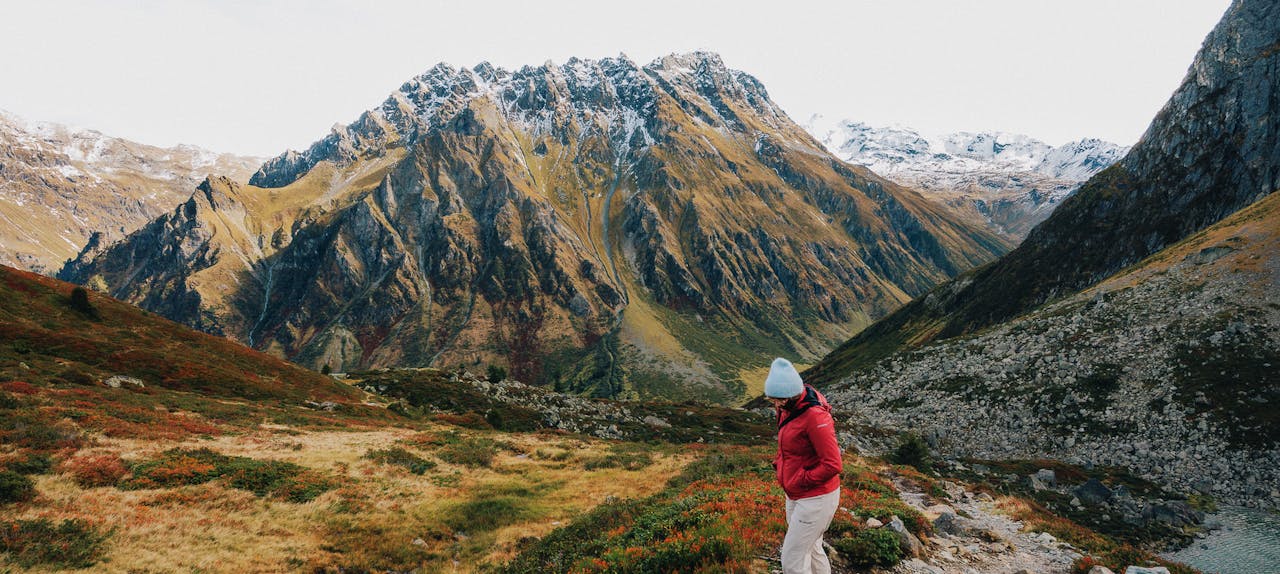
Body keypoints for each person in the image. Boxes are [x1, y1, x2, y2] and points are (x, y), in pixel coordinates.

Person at [765, 357, 842, 574]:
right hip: (796, 493)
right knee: (812, 548)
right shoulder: (787, 409)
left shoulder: (815, 417)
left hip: (816, 497)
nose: (776, 405)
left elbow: (833, 464)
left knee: (792, 558)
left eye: (780, 400)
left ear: (792, 394)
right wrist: (780, 463)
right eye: (772, 400)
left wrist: (801, 479)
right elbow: (789, 444)